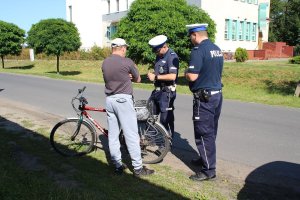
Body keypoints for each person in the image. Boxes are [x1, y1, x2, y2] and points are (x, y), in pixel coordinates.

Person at [101, 38, 154, 177]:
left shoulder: (105, 62)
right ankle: (137, 168)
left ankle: (117, 165)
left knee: (113, 135)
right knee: (131, 134)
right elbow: (138, 79)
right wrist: (130, 73)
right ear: (122, 48)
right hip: (123, 100)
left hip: (110, 100)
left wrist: (126, 75)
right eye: (126, 48)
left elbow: (112, 78)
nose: (126, 50)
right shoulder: (127, 62)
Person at [184, 24, 223, 181]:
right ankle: (204, 157)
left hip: (204, 99)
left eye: (190, 36)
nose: (190, 40)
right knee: (211, 131)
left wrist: (186, 72)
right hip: (216, 96)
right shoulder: (216, 48)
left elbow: (192, 76)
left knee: (203, 133)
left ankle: (208, 170)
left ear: (195, 35)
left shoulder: (198, 50)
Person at [147, 35, 179, 140]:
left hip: (167, 92)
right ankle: (152, 138)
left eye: (157, 50)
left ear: (164, 46)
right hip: (157, 91)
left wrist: (156, 76)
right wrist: (153, 76)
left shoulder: (172, 56)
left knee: (166, 119)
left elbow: (172, 76)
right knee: (151, 114)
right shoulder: (159, 56)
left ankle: (166, 142)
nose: (155, 53)